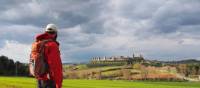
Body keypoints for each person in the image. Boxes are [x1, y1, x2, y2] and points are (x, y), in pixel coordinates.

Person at [30, 24, 63, 88]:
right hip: (49, 81)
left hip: (39, 79)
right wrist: (59, 84)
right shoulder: (52, 45)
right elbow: (56, 67)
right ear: (56, 34)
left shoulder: (37, 43)